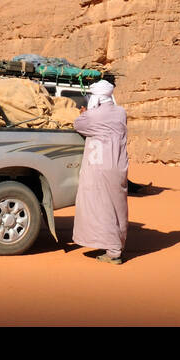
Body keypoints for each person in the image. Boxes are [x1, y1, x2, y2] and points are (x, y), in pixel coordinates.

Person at [72, 79, 129, 264]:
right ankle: (115, 245)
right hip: (119, 167)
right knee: (117, 207)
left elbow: (78, 125)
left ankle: (113, 252)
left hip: (100, 167)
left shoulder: (93, 116)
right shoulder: (121, 113)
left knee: (102, 208)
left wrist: (86, 112)